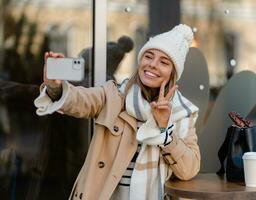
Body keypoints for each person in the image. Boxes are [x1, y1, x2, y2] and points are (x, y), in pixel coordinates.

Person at [34, 24, 200, 200]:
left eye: (164, 62)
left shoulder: (183, 113)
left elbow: (188, 170)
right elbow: (80, 100)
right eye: (148, 56)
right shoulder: (115, 95)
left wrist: (164, 130)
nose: (152, 64)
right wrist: (55, 87)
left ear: (173, 73)